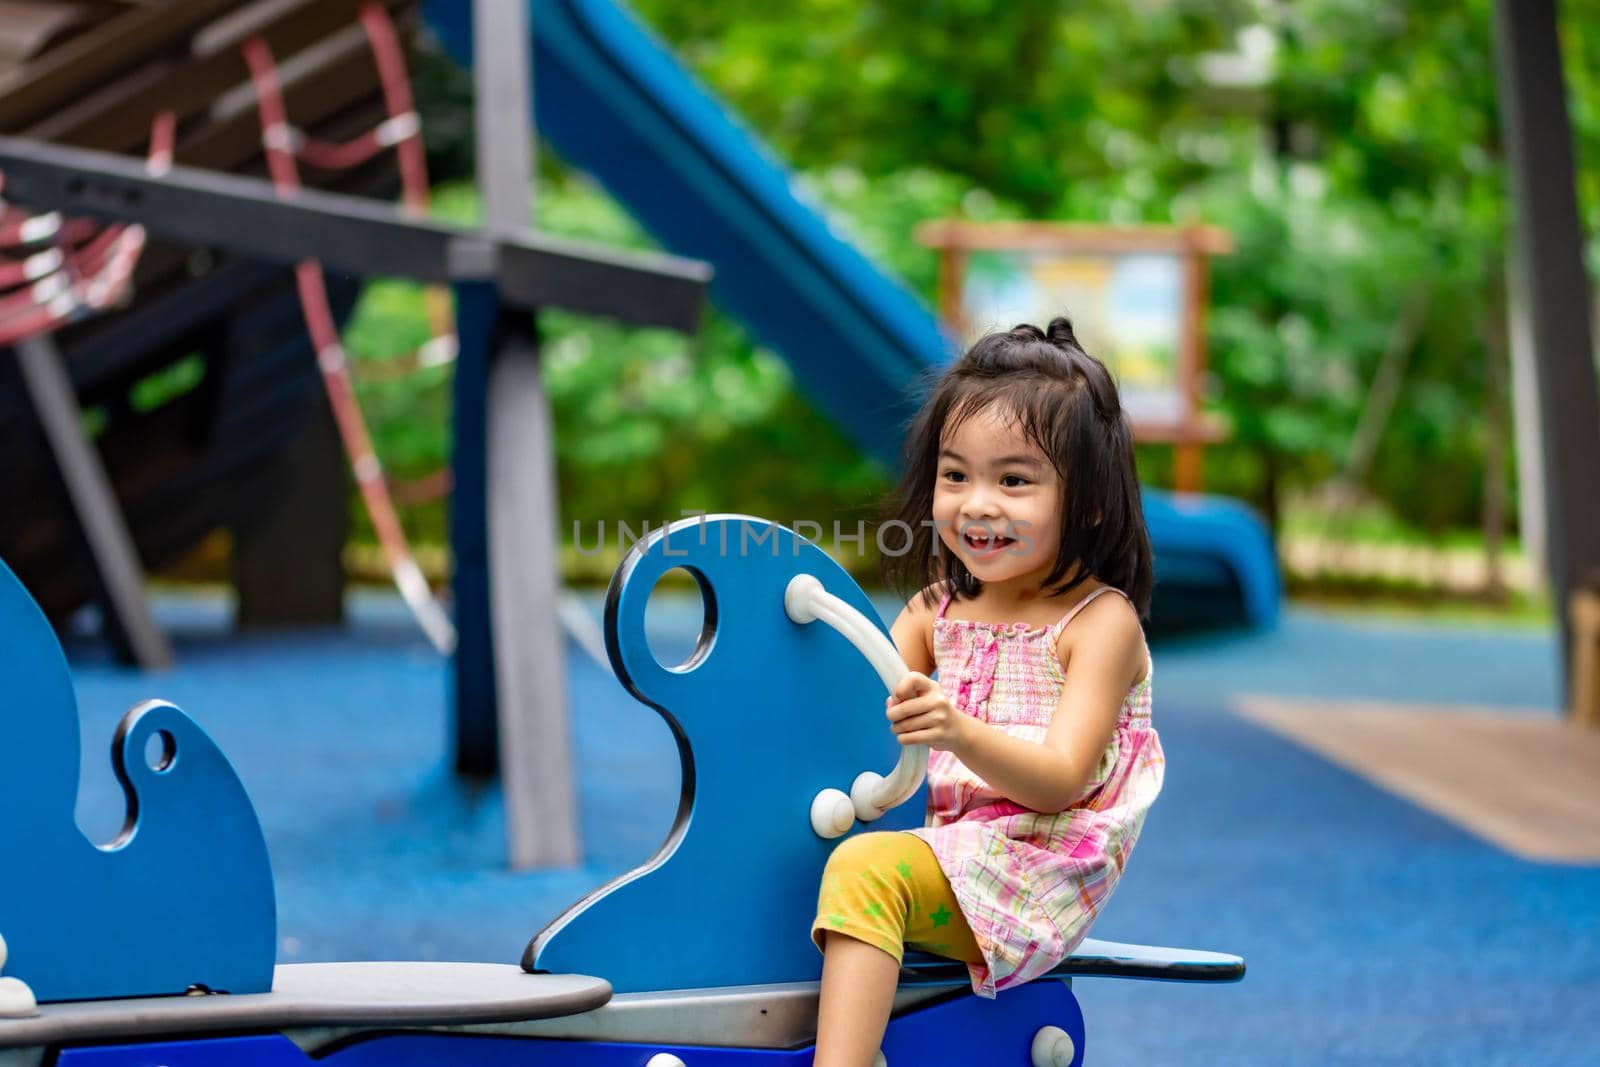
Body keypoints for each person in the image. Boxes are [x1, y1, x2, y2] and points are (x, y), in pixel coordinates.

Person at [811, 317, 1164, 1067]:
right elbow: (848, 705)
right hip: (953, 852)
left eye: (1014, 480)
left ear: (1092, 501)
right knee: (812, 847)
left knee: (866, 869)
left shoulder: (1099, 623)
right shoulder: (936, 610)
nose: (977, 503)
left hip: (1038, 870)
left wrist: (958, 731)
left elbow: (1060, 777)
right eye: (955, 474)